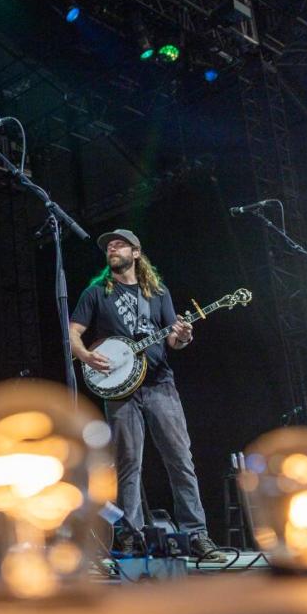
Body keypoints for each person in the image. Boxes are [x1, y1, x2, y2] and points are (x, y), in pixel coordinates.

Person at [68, 228, 228, 563]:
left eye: (119, 244)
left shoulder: (158, 293)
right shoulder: (97, 293)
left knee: (180, 460)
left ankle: (196, 534)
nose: (112, 248)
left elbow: (175, 341)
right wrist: (84, 355)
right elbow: (73, 333)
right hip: (120, 390)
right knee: (128, 465)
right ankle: (130, 536)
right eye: (109, 246)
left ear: (136, 253)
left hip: (159, 384)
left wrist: (184, 335)